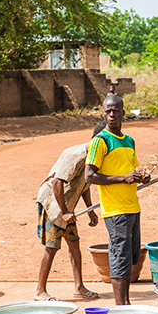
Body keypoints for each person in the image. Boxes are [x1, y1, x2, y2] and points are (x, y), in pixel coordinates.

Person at [85, 95, 150, 305]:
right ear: (103, 113)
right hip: (115, 210)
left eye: (116, 110)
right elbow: (90, 176)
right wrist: (124, 178)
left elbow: (129, 171)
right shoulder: (100, 141)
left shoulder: (129, 141)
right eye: (108, 111)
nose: (112, 114)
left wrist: (140, 177)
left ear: (123, 113)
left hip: (132, 206)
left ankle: (126, 302)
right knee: (119, 257)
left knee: (129, 258)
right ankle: (120, 306)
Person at [34, 123, 106, 301]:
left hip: (67, 205)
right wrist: (64, 211)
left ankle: (79, 287)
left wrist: (89, 210)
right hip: (53, 204)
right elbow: (57, 182)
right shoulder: (76, 154)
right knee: (52, 247)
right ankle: (39, 291)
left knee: (74, 243)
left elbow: (84, 184)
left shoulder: (94, 158)